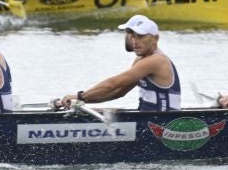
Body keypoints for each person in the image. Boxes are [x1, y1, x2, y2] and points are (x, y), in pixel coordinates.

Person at [52, 14, 181, 112]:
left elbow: (113, 84)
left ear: (155, 39)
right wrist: (82, 102)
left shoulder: (156, 60)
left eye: (140, 36)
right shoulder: (140, 60)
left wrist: (80, 96)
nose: (135, 41)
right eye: (132, 36)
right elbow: (119, 91)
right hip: (146, 118)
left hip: (162, 124)